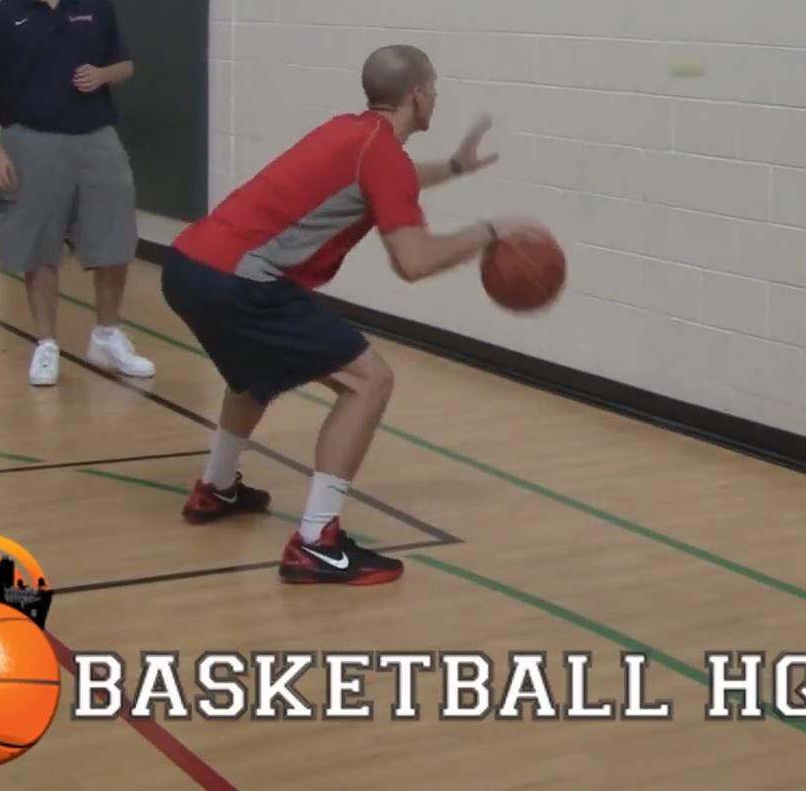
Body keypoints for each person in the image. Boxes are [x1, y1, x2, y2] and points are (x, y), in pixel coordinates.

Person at [160, 43, 541, 586]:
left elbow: (390, 179)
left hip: (187, 265)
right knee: (369, 381)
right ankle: (316, 542)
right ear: (417, 94)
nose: (435, 95)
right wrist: (488, 231)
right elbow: (413, 262)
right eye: (433, 86)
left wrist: (455, 168)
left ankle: (216, 488)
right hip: (237, 283)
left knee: (252, 374)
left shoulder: (349, 132)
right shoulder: (381, 154)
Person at [0, 0, 157, 387]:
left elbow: (126, 65)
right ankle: (46, 343)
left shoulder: (94, 4)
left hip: (96, 137)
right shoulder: (2, 16)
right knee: (40, 247)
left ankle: (107, 335)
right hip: (31, 141)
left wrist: (103, 75)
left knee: (114, 240)